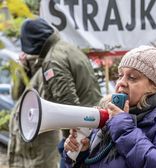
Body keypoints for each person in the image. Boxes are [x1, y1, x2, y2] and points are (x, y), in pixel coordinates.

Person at [63, 45, 156, 168]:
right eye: (120, 75)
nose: (121, 82)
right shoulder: (111, 116)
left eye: (132, 77)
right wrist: (82, 153)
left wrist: (123, 128)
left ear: (155, 86)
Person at [8, 18, 102, 168]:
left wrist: (68, 146)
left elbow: (67, 105)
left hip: (82, 134)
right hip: (89, 127)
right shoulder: (66, 47)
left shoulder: (53, 60)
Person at [8, 52, 60, 168]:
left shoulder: (50, 66)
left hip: (40, 145)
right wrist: (21, 68)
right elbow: (15, 94)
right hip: (22, 144)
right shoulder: (27, 63)